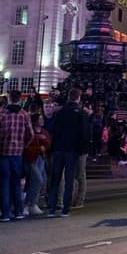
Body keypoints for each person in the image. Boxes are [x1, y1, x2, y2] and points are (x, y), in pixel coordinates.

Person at [0, 89, 33, 222]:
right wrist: (22, 145)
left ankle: (6, 212)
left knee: (4, 182)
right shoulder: (24, 114)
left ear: (9, 98)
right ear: (19, 99)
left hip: (3, 151)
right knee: (16, 183)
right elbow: (30, 134)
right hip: (18, 153)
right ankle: (18, 211)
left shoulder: (2, 114)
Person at [47, 88, 89, 218]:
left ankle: (52, 208)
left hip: (58, 149)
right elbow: (84, 133)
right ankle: (65, 208)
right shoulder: (81, 113)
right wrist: (82, 150)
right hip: (72, 150)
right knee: (69, 179)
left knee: (56, 179)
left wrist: (52, 147)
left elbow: (53, 130)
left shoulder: (60, 112)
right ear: (78, 98)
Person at [23, 113, 51, 216]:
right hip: (31, 159)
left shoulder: (44, 132)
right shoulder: (29, 133)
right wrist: (39, 147)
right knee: (36, 180)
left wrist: (43, 141)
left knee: (41, 181)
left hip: (41, 158)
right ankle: (26, 204)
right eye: (40, 119)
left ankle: (33, 203)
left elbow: (48, 142)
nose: (42, 120)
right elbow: (27, 148)